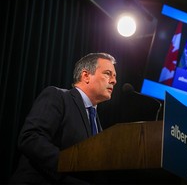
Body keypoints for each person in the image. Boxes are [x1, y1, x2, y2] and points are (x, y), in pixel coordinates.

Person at [10, 52, 117, 184]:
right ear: (86, 76)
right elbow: (30, 138)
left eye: (114, 76)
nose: (114, 81)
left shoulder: (95, 118)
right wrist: (69, 164)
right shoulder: (58, 96)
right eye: (108, 73)